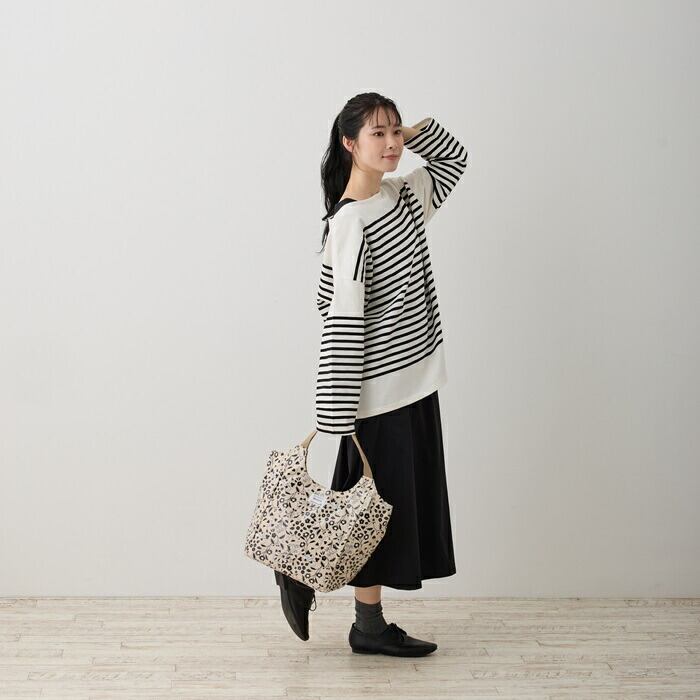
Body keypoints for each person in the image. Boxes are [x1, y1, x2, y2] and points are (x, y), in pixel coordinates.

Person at [278, 92, 468, 657]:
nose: (391, 144)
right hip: (377, 393)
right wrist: (335, 413)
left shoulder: (402, 196)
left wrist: (414, 130)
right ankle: (340, 603)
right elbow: (341, 319)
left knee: (377, 508)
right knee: (371, 512)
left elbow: (454, 161)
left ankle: (334, 598)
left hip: (416, 380)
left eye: (395, 132)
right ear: (349, 143)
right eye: (377, 134)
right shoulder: (351, 224)